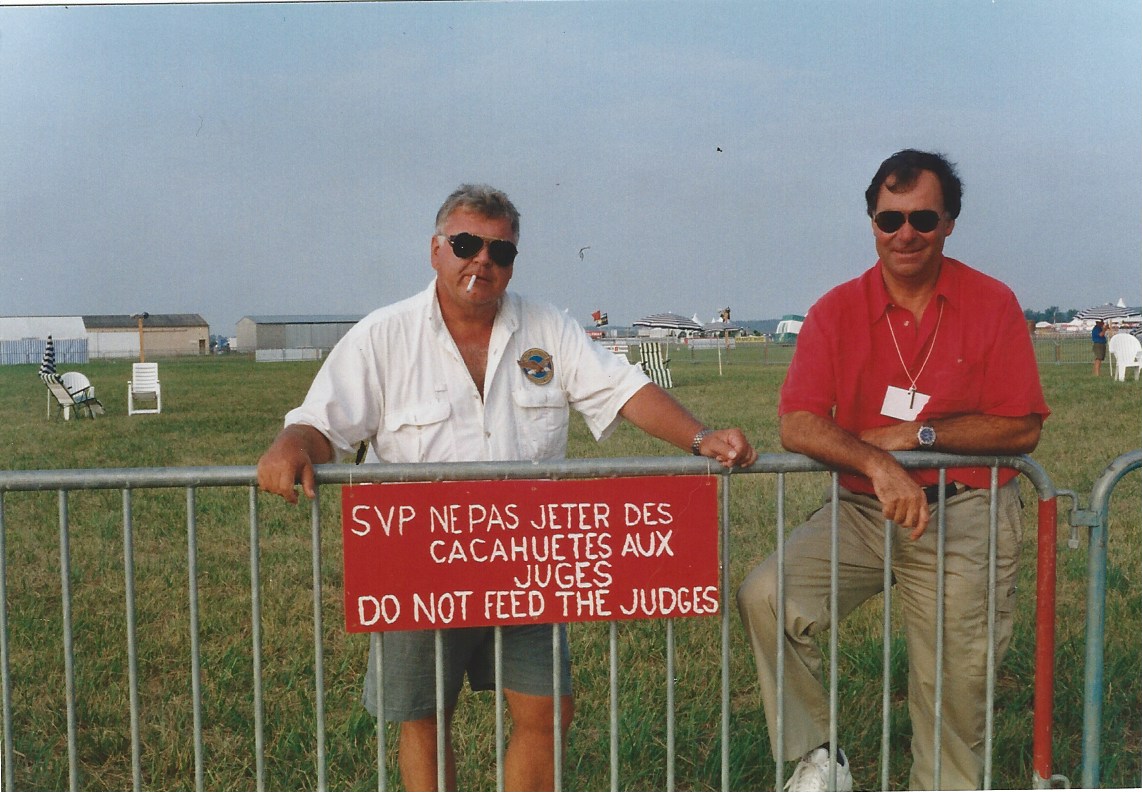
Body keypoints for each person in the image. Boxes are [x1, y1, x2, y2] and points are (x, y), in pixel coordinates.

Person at [257, 184, 757, 792]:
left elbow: (622, 390)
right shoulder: (382, 336)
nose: (482, 261)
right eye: (466, 244)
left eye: (500, 251)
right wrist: (291, 444)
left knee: (548, 712)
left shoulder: (549, 327)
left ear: (513, 262)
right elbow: (322, 423)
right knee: (424, 720)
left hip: (528, 558)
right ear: (435, 250)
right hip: (419, 561)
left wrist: (700, 437)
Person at [736, 150, 1049, 791]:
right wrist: (878, 464)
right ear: (873, 223)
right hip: (862, 509)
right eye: (890, 219)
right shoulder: (836, 310)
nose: (905, 233)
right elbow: (798, 423)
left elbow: (1021, 427)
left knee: (954, 684)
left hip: (964, 510)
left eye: (923, 219)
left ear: (949, 223)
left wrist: (918, 434)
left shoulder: (992, 303)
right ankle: (820, 759)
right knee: (767, 595)